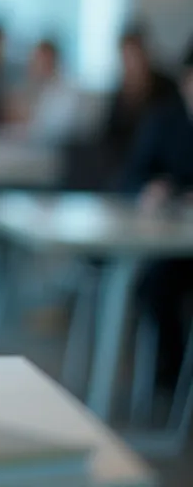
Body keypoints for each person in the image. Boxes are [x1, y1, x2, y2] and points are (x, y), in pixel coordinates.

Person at [121, 38, 193, 389]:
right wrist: (150, 190)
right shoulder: (164, 119)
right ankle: (174, 370)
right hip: (172, 244)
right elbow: (129, 177)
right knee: (155, 285)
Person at [88, 23, 180, 190]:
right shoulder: (121, 93)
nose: (130, 62)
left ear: (145, 53)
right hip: (126, 173)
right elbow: (108, 137)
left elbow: (175, 137)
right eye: (125, 56)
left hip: (160, 174)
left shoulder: (166, 87)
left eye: (134, 54)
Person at [11, 38, 83, 152]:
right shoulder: (39, 88)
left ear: (51, 60)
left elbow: (53, 131)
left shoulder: (65, 92)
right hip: (34, 148)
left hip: (55, 151)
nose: (33, 66)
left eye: (38, 60)